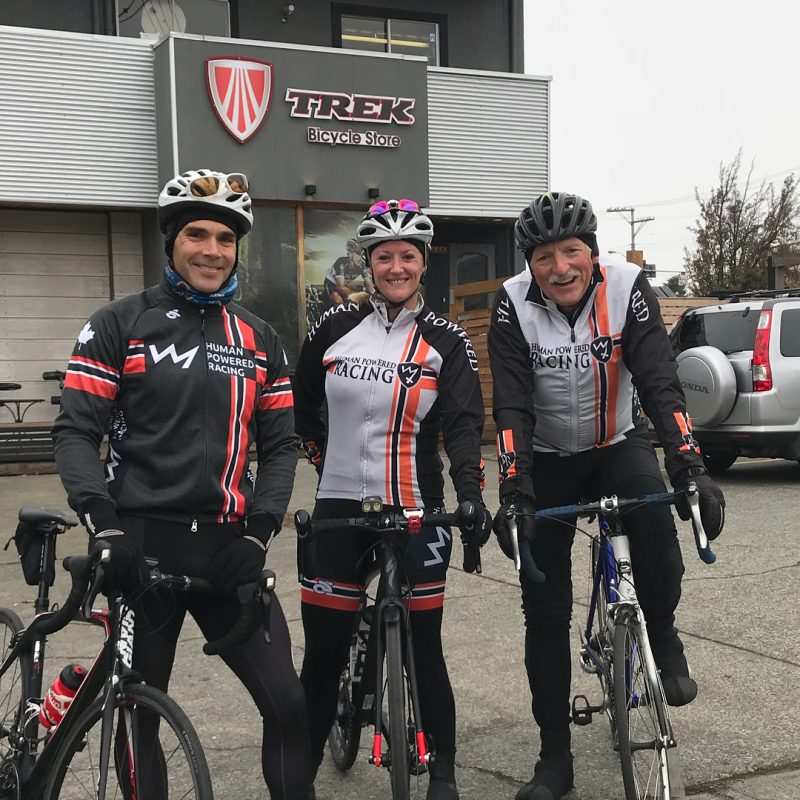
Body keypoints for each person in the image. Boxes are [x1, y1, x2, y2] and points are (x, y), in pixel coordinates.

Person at [52, 169, 312, 799]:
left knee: (287, 703)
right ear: (171, 240)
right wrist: (103, 526)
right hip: (141, 544)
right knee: (139, 719)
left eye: (225, 239)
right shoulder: (120, 322)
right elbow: (76, 433)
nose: (212, 251)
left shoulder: (260, 338)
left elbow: (282, 447)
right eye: (197, 234)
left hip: (228, 547)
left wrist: (258, 534)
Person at [488, 192, 726, 800]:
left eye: (572, 252)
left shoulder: (626, 288)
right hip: (546, 458)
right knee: (544, 608)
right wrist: (514, 488)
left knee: (656, 533)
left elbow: (659, 381)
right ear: (529, 264)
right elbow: (511, 403)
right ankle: (554, 756)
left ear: (592, 253)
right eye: (544, 257)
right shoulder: (511, 303)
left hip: (616, 443)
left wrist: (690, 467)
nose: (560, 267)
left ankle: (662, 635)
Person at [293, 199, 493, 800]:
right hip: (339, 510)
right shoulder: (333, 328)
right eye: (385, 256)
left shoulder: (447, 340)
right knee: (323, 655)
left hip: (417, 510)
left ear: (423, 262)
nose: (397, 267)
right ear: (369, 263)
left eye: (408, 255)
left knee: (425, 648)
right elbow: (301, 404)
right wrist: (321, 457)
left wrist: (469, 495)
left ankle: (445, 774)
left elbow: (464, 425)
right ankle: (298, 776)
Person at [324, 237, 373, 306]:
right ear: (350, 254)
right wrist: (361, 295)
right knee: (337, 299)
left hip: (344, 286)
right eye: (358, 254)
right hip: (331, 285)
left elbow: (369, 285)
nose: (361, 258)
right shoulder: (341, 262)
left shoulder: (362, 265)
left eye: (363, 255)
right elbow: (340, 287)